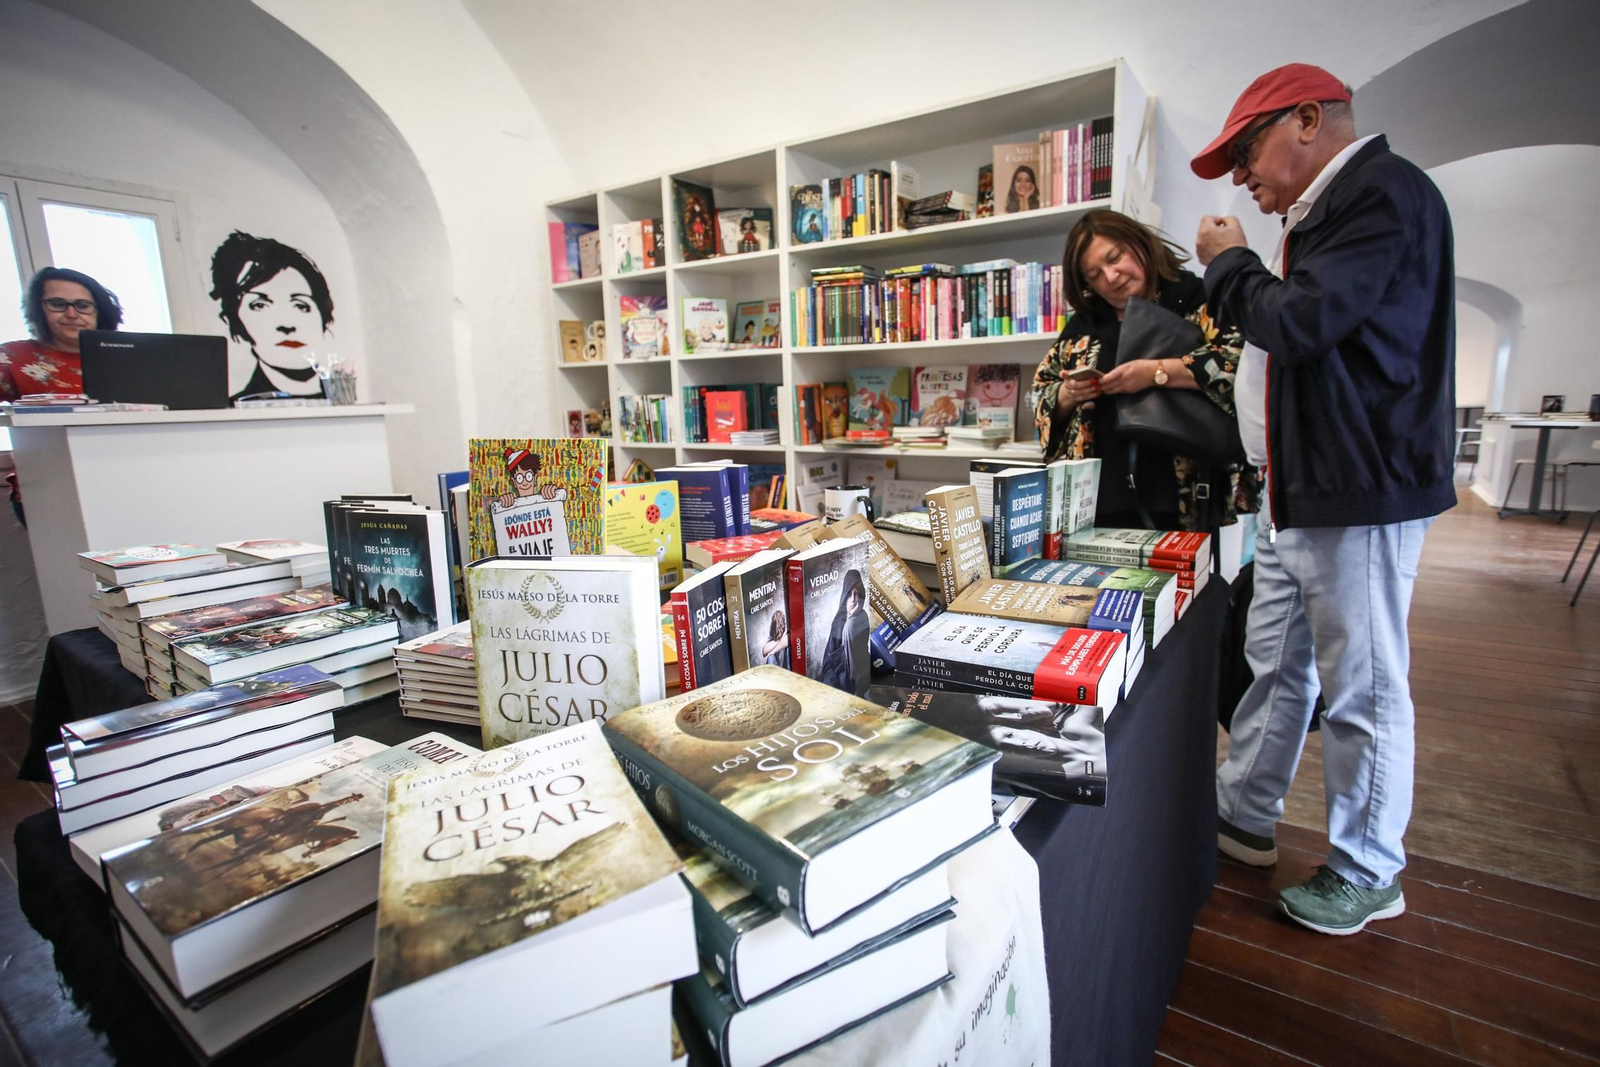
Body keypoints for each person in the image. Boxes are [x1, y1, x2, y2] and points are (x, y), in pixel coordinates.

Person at [1192, 64, 1456, 935]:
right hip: (1301, 489)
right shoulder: (1326, 214)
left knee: (1362, 686)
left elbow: (1300, 324)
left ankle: (1369, 866)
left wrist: (1229, 264)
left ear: (1308, 120)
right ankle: (1245, 811)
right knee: (1278, 664)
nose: (1241, 176)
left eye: (1245, 152)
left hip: (1356, 486)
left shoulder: (1380, 192)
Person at [1032, 209, 1256, 531]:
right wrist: (1068, 393)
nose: (1111, 277)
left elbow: (1239, 364)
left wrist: (1155, 373)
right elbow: (1042, 392)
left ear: (1139, 243)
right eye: (1095, 275)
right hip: (1096, 502)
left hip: (1183, 493)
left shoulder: (1195, 298)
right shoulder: (1085, 325)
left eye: (1115, 257)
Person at [208, 230, 335, 401]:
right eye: (260, 305)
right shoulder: (236, 409)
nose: (287, 325)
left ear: (322, 316)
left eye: (300, 305)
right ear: (234, 321)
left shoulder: (341, 399)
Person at [0, 267, 124, 401]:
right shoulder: (11, 357)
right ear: (37, 309)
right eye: (57, 305)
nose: (71, 315)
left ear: (101, 311)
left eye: (83, 306)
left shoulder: (127, 356)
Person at [817, 569, 869, 696]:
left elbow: (857, 661)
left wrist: (852, 617)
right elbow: (829, 661)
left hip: (855, 679)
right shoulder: (838, 623)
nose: (853, 599)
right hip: (835, 677)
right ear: (844, 596)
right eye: (849, 594)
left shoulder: (861, 619)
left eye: (856, 594)